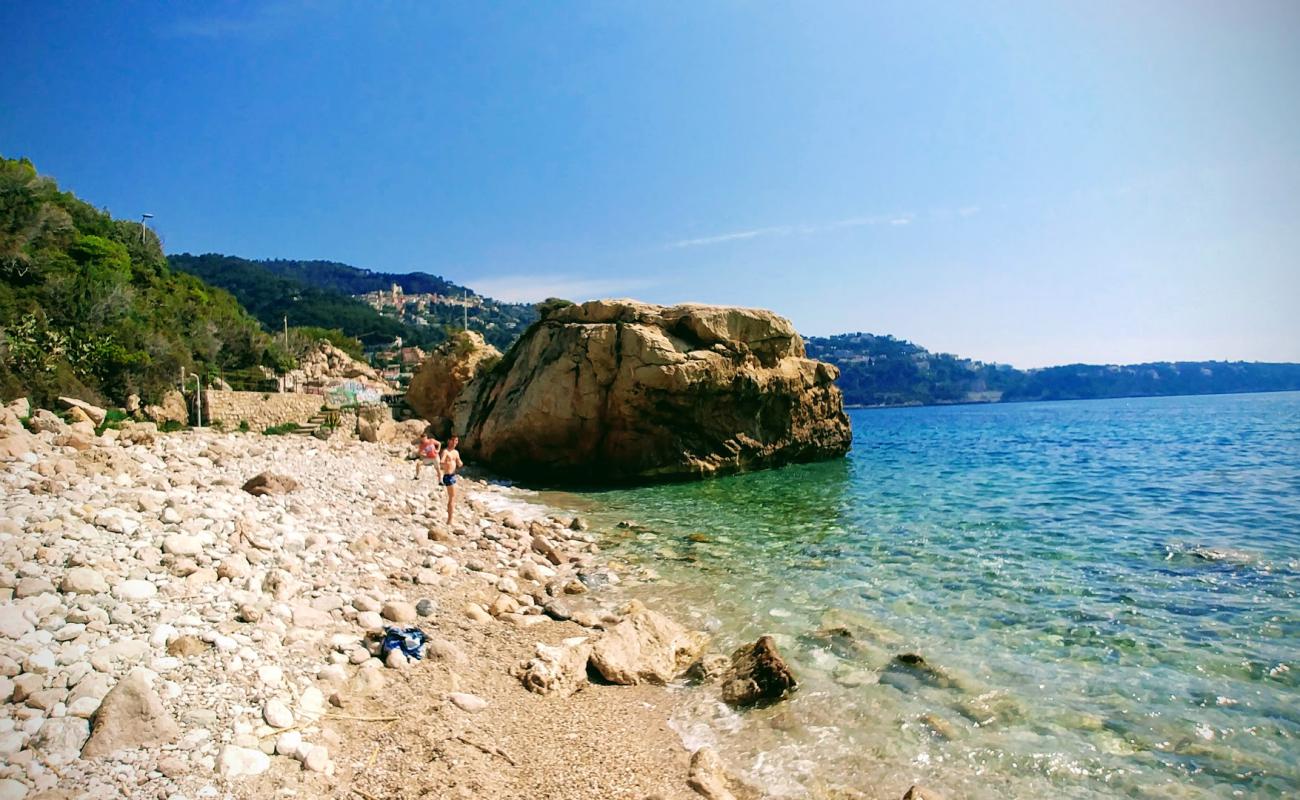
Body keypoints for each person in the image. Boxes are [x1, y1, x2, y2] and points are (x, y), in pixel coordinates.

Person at [439, 434, 464, 525]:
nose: (455, 443)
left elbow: (459, 462)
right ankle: (449, 520)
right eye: (453, 441)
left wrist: (460, 463)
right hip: (447, 476)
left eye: (456, 441)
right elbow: (441, 461)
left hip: (453, 476)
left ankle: (450, 519)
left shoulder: (456, 452)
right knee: (452, 498)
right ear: (449, 441)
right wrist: (445, 463)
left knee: (453, 497)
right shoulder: (446, 451)